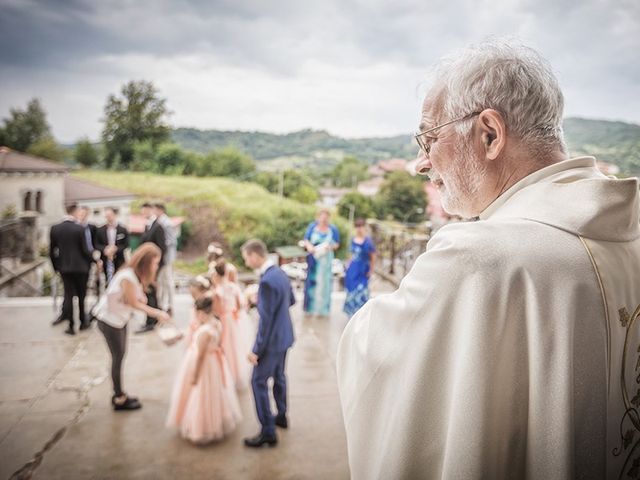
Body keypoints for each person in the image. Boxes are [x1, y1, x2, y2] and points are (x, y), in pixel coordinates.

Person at [337, 40, 640, 480]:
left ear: (490, 134)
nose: (419, 164)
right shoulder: (629, 232)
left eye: (428, 138)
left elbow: (378, 361)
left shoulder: (475, 259)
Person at [93, 243, 172, 410]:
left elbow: (132, 298)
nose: (156, 266)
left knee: (120, 355)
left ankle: (119, 393)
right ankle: (119, 397)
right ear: (146, 262)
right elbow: (133, 303)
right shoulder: (128, 277)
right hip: (110, 321)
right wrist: (157, 313)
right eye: (155, 263)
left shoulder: (132, 275)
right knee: (118, 357)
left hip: (118, 319)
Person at [241, 239, 295, 448]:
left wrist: (256, 351)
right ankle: (281, 415)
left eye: (247, 257)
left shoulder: (265, 282)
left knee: (258, 382)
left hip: (271, 342)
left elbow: (265, 322)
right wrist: (262, 302)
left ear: (255, 255)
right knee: (280, 377)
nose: (247, 262)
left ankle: (268, 431)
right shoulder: (280, 273)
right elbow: (290, 301)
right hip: (285, 336)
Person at [166, 295, 242, 444]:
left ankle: (201, 427)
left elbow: (200, 357)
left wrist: (194, 375)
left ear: (201, 313)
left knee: (201, 393)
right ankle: (216, 420)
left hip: (204, 365)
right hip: (214, 362)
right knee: (215, 391)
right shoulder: (217, 323)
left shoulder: (204, 332)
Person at [49, 203, 93, 335]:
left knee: (68, 296)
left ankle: (71, 325)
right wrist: (93, 262)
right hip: (81, 268)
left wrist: (56, 267)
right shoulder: (80, 228)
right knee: (81, 295)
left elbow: (52, 251)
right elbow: (85, 250)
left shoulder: (55, 228)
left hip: (65, 268)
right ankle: (83, 322)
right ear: (74, 211)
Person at [302, 209, 340, 317]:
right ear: (318, 217)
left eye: (326, 217)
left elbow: (337, 244)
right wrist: (310, 247)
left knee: (324, 284)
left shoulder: (333, 229)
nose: (324, 219)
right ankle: (309, 309)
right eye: (322, 217)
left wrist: (329, 247)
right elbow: (306, 240)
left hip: (326, 260)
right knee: (311, 283)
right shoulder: (312, 227)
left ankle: (322, 309)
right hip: (314, 259)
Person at [136, 202, 166, 333]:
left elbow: (162, 249)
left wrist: (156, 268)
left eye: (144, 211)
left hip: (152, 267)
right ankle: (154, 318)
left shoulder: (157, 227)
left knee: (150, 292)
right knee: (150, 292)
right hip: (147, 266)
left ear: (150, 210)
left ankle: (151, 321)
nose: (143, 214)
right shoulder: (149, 225)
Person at [343, 218, 376, 317]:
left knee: (362, 290)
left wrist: (371, 270)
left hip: (363, 269)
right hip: (353, 269)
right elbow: (350, 255)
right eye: (357, 227)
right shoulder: (353, 240)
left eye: (361, 226)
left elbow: (373, 257)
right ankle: (351, 313)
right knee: (351, 290)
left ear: (364, 227)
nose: (359, 229)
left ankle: (361, 314)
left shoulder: (368, 241)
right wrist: (347, 266)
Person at [95, 207, 129, 285]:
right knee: (108, 281)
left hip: (119, 259)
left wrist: (115, 249)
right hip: (105, 259)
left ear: (114, 215)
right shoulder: (100, 230)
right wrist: (105, 249)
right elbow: (96, 244)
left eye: (110, 215)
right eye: (106, 216)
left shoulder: (122, 229)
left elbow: (126, 245)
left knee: (120, 279)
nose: (108, 217)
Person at [154, 203, 176, 315]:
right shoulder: (158, 222)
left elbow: (171, 240)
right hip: (161, 257)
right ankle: (163, 304)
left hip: (166, 257)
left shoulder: (167, 223)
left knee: (168, 281)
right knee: (161, 282)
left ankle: (170, 304)